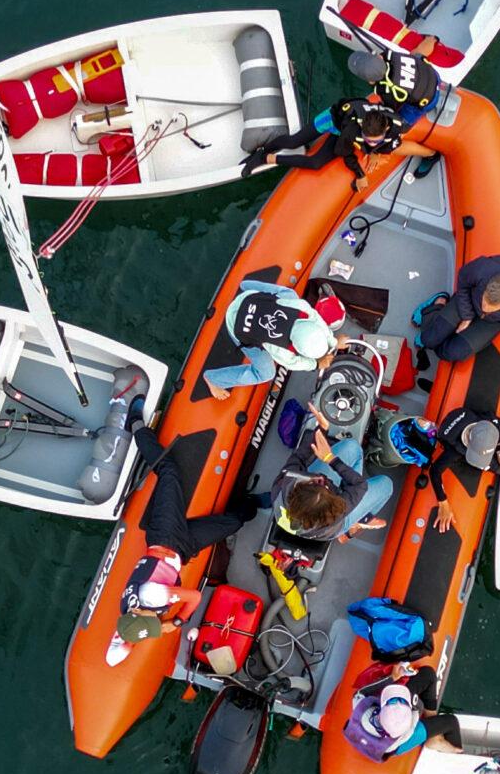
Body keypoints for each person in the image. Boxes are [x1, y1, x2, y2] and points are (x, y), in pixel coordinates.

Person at [105, 418, 256, 663]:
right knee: (233, 523)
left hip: (165, 535)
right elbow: (120, 647)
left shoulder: (152, 596)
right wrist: (135, 637)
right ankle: (253, 504)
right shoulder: (128, 616)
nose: (155, 624)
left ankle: (137, 427)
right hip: (183, 548)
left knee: (169, 473)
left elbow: (194, 597)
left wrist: (176, 622)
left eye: (150, 623)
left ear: (137, 611)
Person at [241, 51, 444, 181]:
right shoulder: (353, 131)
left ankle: (267, 157)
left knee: (316, 161)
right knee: (295, 140)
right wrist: (362, 170)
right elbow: (345, 150)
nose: (374, 144)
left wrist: (375, 153)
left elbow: (349, 147)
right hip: (335, 119)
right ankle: (263, 153)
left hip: (420, 93)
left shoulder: (391, 117)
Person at [390, 408, 500, 533]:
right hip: (477, 441)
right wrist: (443, 503)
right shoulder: (454, 448)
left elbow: (496, 428)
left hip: (490, 434)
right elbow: (435, 471)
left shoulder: (493, 424)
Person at [201, 278, 340, 395]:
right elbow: (293, 363)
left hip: (247, 299)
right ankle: (214, 379)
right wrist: (316, 364)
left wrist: (333, 341)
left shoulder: (301, 306)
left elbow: (317, 319)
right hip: (235, 325)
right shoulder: (281, 350)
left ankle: (245, 285)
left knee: (289, 294)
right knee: (266, 374)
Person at [413, 255, 500, 367]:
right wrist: (467, 315)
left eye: (491, 305)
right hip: (469, 300)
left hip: (494, 321)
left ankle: (442, 334)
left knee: (454, 353)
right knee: (428, 339)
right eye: (485, 300)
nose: (484, 306)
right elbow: (463, 279)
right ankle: (439, 303)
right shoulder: (481, 269)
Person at [271, 420, 390, 544]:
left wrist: (321, 429)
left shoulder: (284, 482)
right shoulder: (336, 514)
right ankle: (359, 521)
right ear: (334, 502)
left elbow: (299, 457)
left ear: (298, 488)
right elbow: (360, 485)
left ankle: (350, 493)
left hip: (309, 512)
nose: (322, 480)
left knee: (352, 447)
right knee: (386, 484)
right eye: (324, 485)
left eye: (315, 483)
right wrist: (330, 459)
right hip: (334, 525)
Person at [343, 663, 461, 761]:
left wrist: (392, 678)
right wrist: (414, 703)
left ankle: (433, 726)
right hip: (397, 744)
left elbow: (360, 693)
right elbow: (418, 708)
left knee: (428, 674)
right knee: (452, 722)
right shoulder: (404, 734)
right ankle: (438, 742)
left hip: (381, 732)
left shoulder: (361, 708)